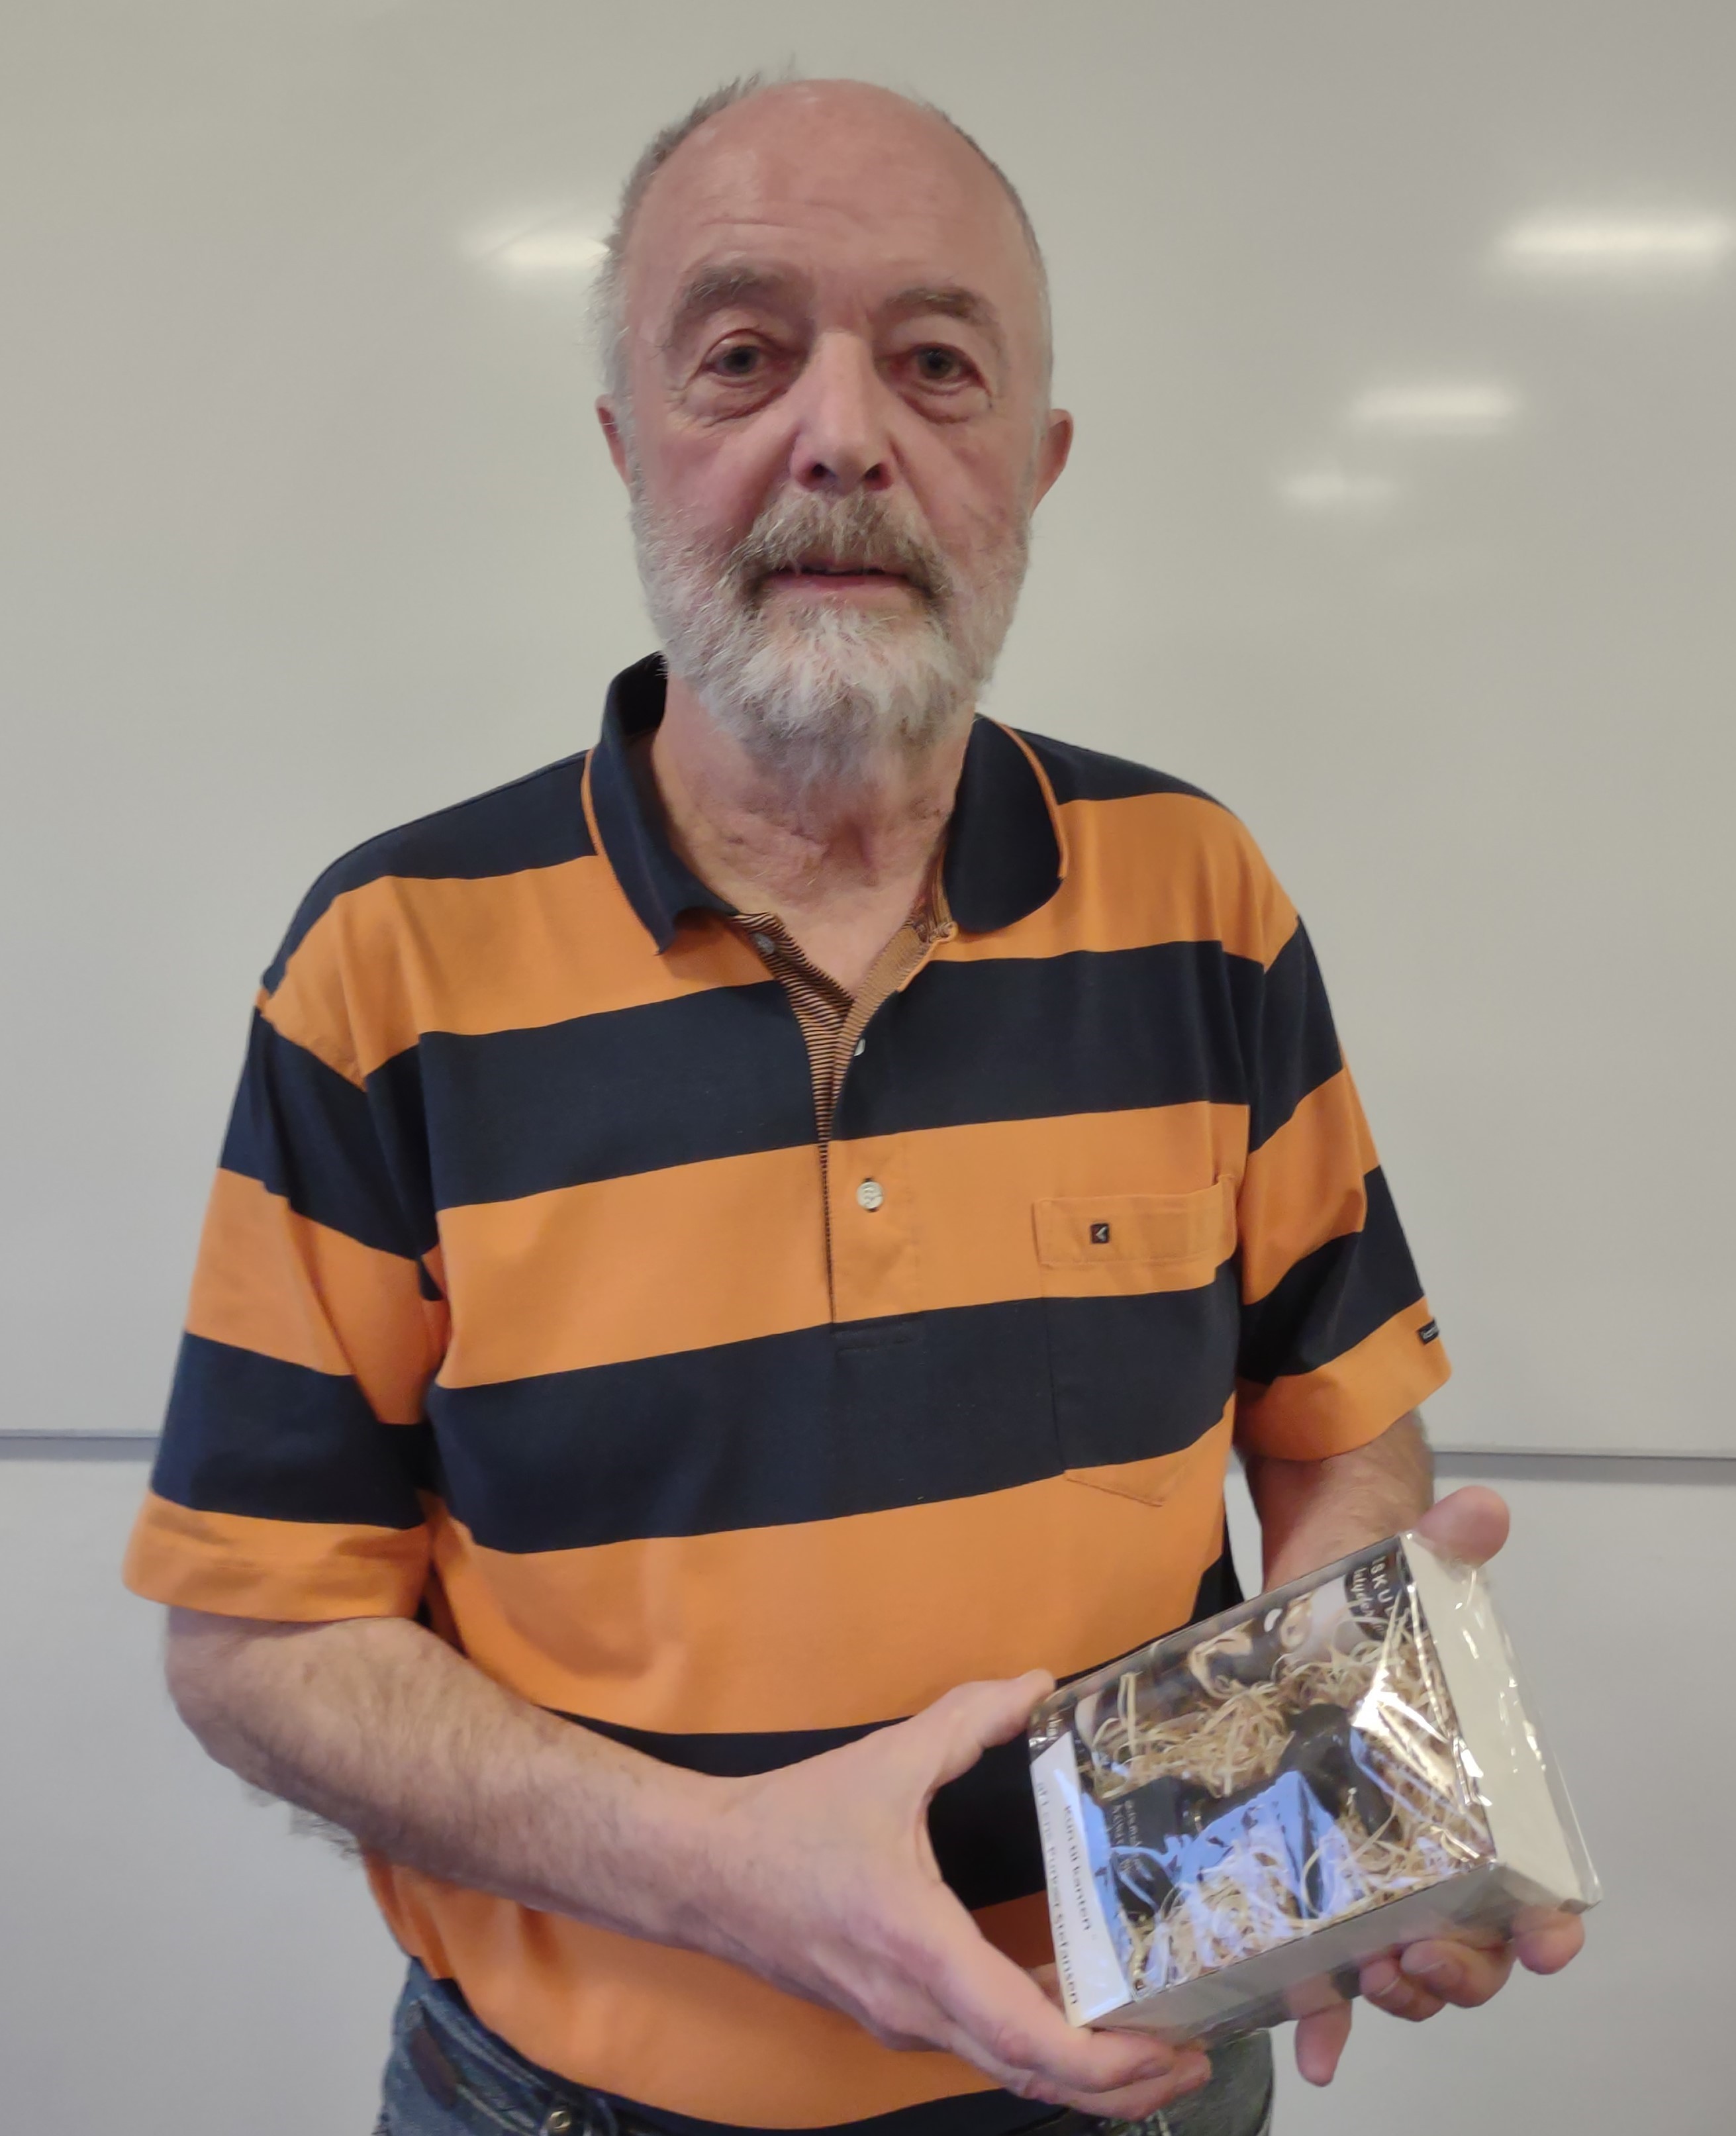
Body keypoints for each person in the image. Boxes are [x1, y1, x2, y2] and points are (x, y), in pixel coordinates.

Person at [124, 74, 1583, 2136]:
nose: (841, 435)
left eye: (936, 363)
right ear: (627, 444)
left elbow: (1341, 1434)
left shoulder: (1201, 901)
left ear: (1036, 464)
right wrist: (728, 1875)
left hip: (1136, 2094)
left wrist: (1339, 1786)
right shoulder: (387, 964)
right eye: (742, 355)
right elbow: (255, 1639)